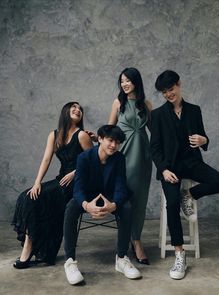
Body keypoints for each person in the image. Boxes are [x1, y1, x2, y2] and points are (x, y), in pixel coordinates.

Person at [150, 70, 219, 280]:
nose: (168, 94)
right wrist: (164, 170)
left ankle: (190, 194)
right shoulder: (156, 115)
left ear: (179, 84)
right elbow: (154, 148)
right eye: (164, 92)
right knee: (172, 203)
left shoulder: (194, 110)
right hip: (170, 168)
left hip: (192, 163)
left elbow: (202, 138)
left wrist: (205, 141)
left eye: (171, 89)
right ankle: (179, 253)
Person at [12, 101, 93, 269]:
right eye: (74, 108)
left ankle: (28, 251)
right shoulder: (54, 135)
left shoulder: (82, 136)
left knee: (40, 202)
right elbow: (46, 159)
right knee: (27, 197)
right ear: (65, 112)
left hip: (79, 183)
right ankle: (31, 245)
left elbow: (94, 162)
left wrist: (75, 172)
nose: (78, 110)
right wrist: (37, 183)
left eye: (80, 109)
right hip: (61, 180)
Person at [63, 125, 142, 285]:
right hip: (89, 196)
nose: (114, 145)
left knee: (126, 207)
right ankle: (70, 261)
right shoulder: (84, 158)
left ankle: (121, 258)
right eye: (110, 140)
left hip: (110, 195)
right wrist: (86, 205)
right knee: (71, 207)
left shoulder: (119, 158)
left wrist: (113, 205)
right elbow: (78, 188)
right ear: (99, 139)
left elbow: (120, 186)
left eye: (117, 142)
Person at [108, 67, 152, 265]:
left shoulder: (146, 104)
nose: (124, 84)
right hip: (123, 156)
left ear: (136, 82)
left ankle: (136, 240)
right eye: (122, 81)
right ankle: (126, 239)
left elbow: (157, 132)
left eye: (128, 80)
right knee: (125, 198)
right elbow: (110, 130)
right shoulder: (118, 103)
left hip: (143, 156)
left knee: (140, 201)